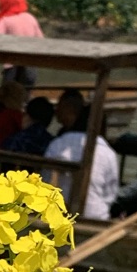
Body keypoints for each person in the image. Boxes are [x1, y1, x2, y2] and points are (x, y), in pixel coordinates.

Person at [44, 88, 120, 221]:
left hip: (62, 214)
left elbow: (45, 180)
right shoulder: (109, 153)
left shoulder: (58, 144)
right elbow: (110, 195)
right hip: (97, 217)